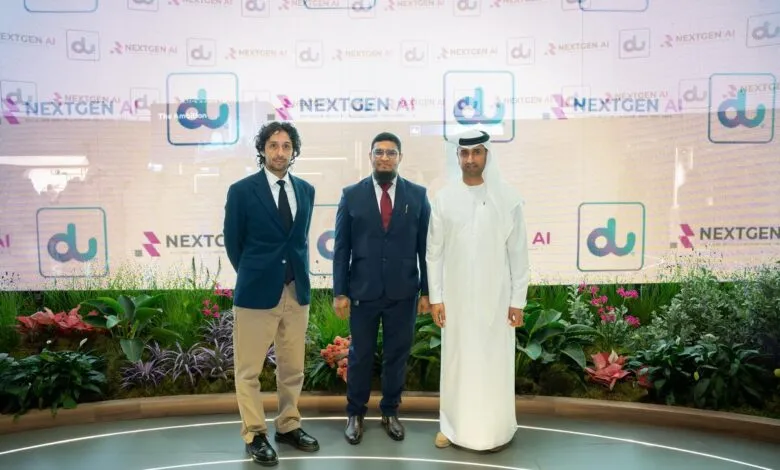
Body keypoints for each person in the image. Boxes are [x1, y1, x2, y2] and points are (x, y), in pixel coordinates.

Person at [425, 129, 530, 453]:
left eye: (477, 153)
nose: (470, 159)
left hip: (496, 302)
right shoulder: (443, 198)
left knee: (493, 363)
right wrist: (437, 297)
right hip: (456, 302)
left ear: (487, 155)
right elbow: (434, 252)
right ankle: (451, 427)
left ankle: (498, 429)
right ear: (457, 157)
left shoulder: (508, 198)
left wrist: (517, 301)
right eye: (464, 153)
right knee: (457, 363)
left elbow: (519, 254)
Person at [223, 121, 319, 467]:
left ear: (294, 151)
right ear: (262, 149)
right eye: (273, 145)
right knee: (248, 370)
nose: (280, 152)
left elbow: (298, 240)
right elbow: (234, 243)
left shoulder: (306, 190)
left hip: (296, 291)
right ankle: (255, 433)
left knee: (292, 368)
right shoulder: (242, 191)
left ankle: (289, 425)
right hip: (256, 292)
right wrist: (256, 273)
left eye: (286, 146)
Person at [332, 131, 432, 444]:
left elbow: (425, 249)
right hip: (363, 291)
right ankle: (355, 414)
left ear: (400, 157)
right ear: (370, 157)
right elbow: (341, 248)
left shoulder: (418, 195)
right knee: (360, 355)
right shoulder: (351, 195)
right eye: (379, 152)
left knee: (396, 356)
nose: (384, 158)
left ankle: (390, 411)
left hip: (404, 292)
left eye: (391, 152)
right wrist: (340, 291)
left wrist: (428, 291)